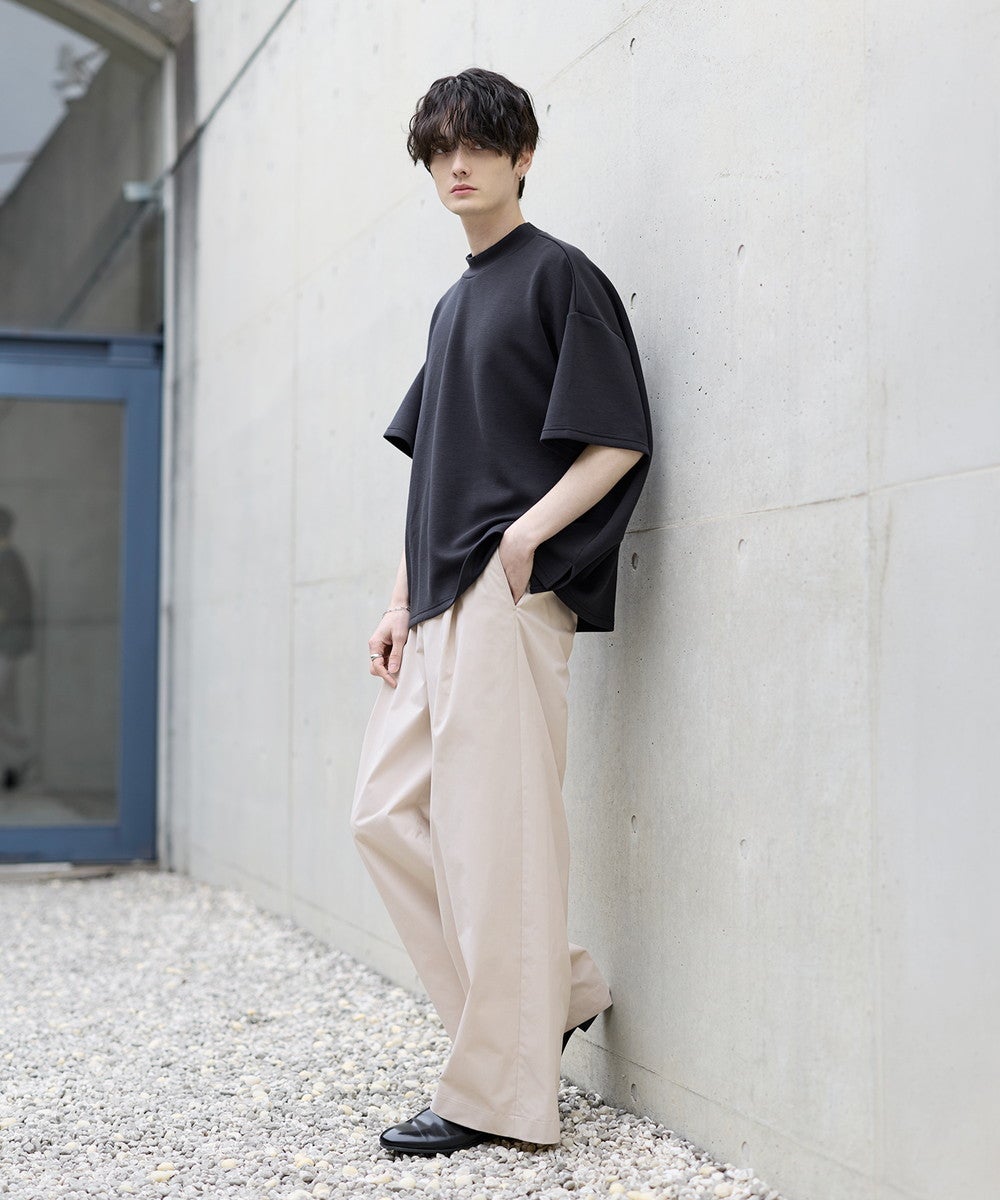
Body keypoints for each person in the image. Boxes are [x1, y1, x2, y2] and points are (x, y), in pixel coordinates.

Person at [350, 67, 653, 1156]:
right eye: (439, 151)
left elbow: (618, 438)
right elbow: (433, 466)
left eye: (477, 146)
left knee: (499, 846)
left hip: (501, 593)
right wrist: (399, 599)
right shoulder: (452, 306)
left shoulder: (557, 276)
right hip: (437, 603)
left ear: (522, 157)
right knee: (384, 816)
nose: (457, 166)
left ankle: (502, 1098)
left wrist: (524, 542)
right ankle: (551, 994)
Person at [0, 506, 35, 791]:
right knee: (7, 707)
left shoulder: (9, 561)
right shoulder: (8, 560)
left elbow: (16, 606)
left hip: (6, 644)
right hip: (8, 643)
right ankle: (16, 763)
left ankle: (24, 753)